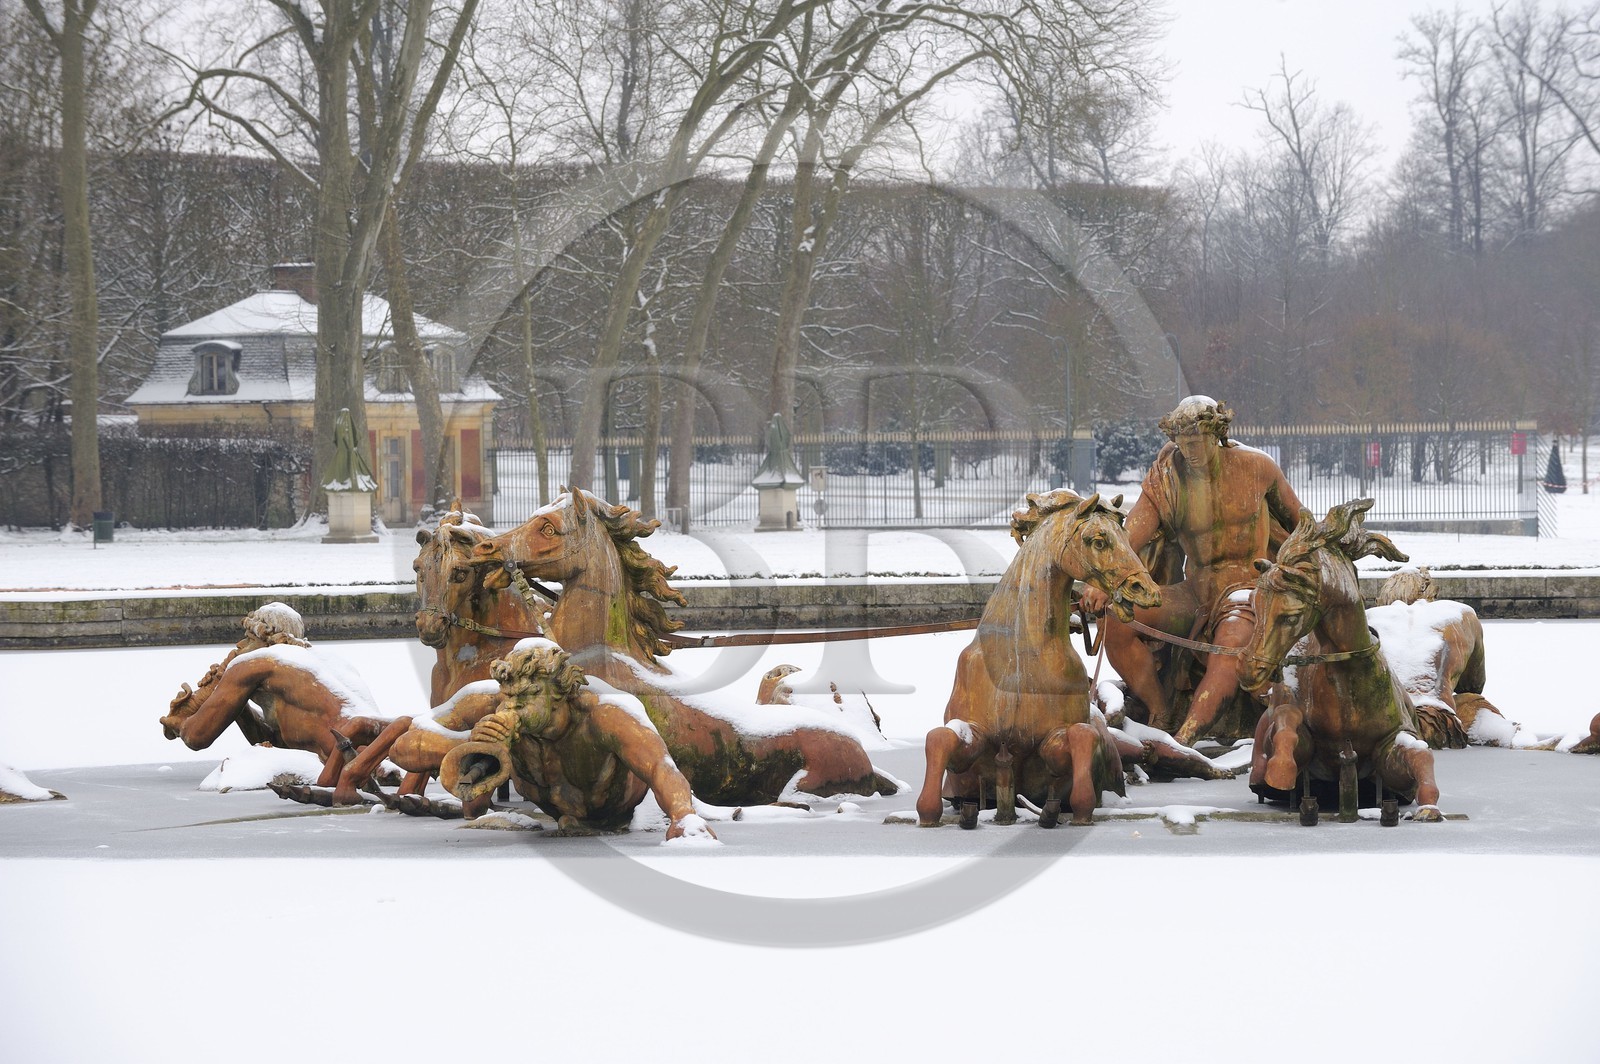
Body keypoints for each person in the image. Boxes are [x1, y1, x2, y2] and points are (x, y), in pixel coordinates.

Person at [1079, 396, 1304, 747]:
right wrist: (1103, 582)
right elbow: (1130, 536)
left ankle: (1183, 743)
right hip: (1196, 592)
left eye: (1197, 442)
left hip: (1249, 590)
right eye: (1183, 443)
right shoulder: (1168, 477)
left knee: (1230, 646)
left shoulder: (1257, 468)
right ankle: (1162, 712)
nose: (1190, 451)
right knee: (1119, 619)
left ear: (1216, 435)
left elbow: (1302, 526)